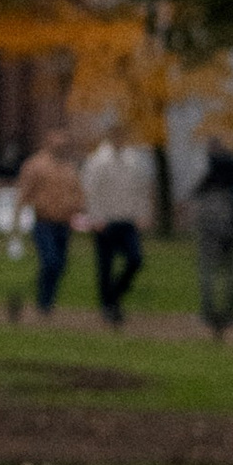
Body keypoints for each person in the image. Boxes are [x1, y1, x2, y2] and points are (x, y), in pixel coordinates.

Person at [80, 123, 154, 327]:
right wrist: (96, 217)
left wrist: (142, 214)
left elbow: (141, 190)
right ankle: (108, 305)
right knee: (105, 264)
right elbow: (91, 191)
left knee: (135, 258)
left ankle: (115, 292)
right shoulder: (98, 161)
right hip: (106, 220)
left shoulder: (133, 160)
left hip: (127, 219)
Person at [13, 129, 83, 318]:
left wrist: (78, 208)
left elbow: (78, 194)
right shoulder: (36, 166)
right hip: (44, 222)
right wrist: (16, 226)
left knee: (60, 264)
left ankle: (47, 299)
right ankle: (44, 302)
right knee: (50, 261)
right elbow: (23, 195)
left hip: (64, 223)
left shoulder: (69, 168)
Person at [190, 142, 233, 339]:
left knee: (207, 269)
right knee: (231, 271)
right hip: (231, 224)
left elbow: (195, 193)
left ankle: (208, 312)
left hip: (211, 224)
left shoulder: (208, 178)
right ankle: (230, 313)